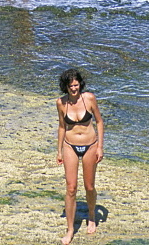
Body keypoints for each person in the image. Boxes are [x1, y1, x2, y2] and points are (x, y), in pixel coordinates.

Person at [56, 67, 104, 244]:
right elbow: (62, 127)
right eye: (71, 86)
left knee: (89, 187)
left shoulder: (89, 98)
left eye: (76, 85)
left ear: (80, 84)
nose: (74, 89)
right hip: (70, 146)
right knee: (71, 188)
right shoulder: (61, 103)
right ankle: (70, 229)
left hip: (90, 145)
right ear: (66, 87)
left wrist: (100, 146)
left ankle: (91, 215)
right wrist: (59, 150)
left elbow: (99, 121)